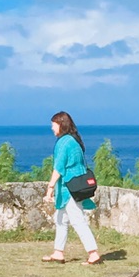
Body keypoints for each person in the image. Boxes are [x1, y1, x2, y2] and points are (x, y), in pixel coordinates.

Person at [43, 111, 101, 265]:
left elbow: (59, 168)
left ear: (60, 125)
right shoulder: (74, 141)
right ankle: (58, 252)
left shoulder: (64, 143)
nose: (52, 128)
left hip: (68, 188)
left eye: (53, 125)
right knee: (61, 219)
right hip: (73, 186)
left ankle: (93, 253)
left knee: (77, 220)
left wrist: (49, 189)